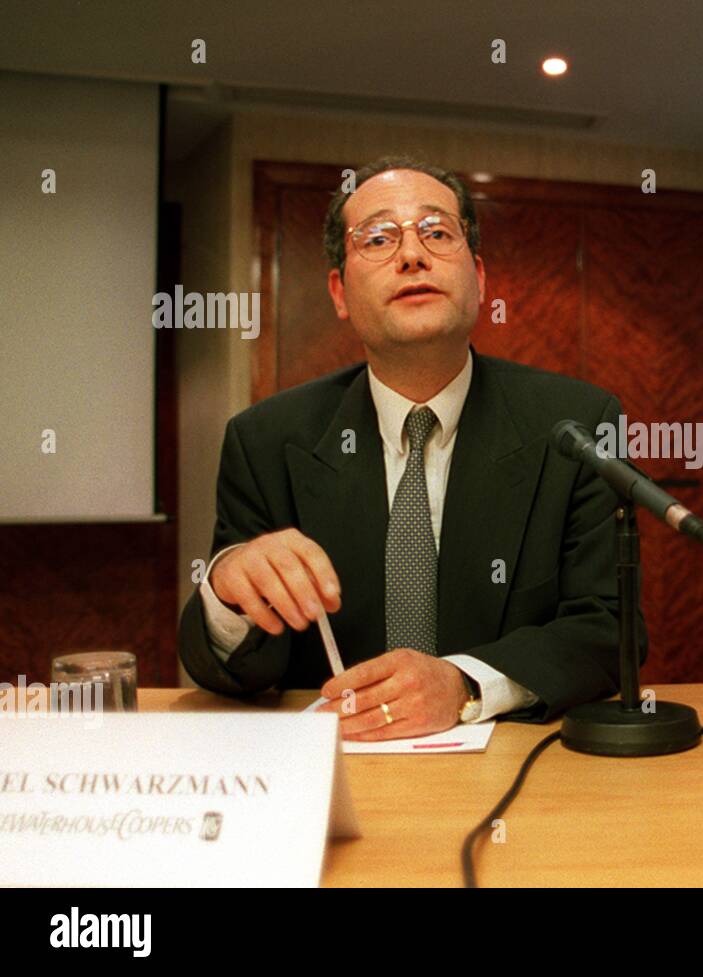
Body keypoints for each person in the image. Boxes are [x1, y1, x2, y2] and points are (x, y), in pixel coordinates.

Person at [179, 155, 639, 738]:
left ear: (479, 278)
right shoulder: (266, 440)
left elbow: (608, 628)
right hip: (335, 769)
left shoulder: (576, 424)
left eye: (437, 232)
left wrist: (465, 685)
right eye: (377, 238)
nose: (412, 254)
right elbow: (234, 671)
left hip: (518, 772)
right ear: (339, 292)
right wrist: (228, 591)